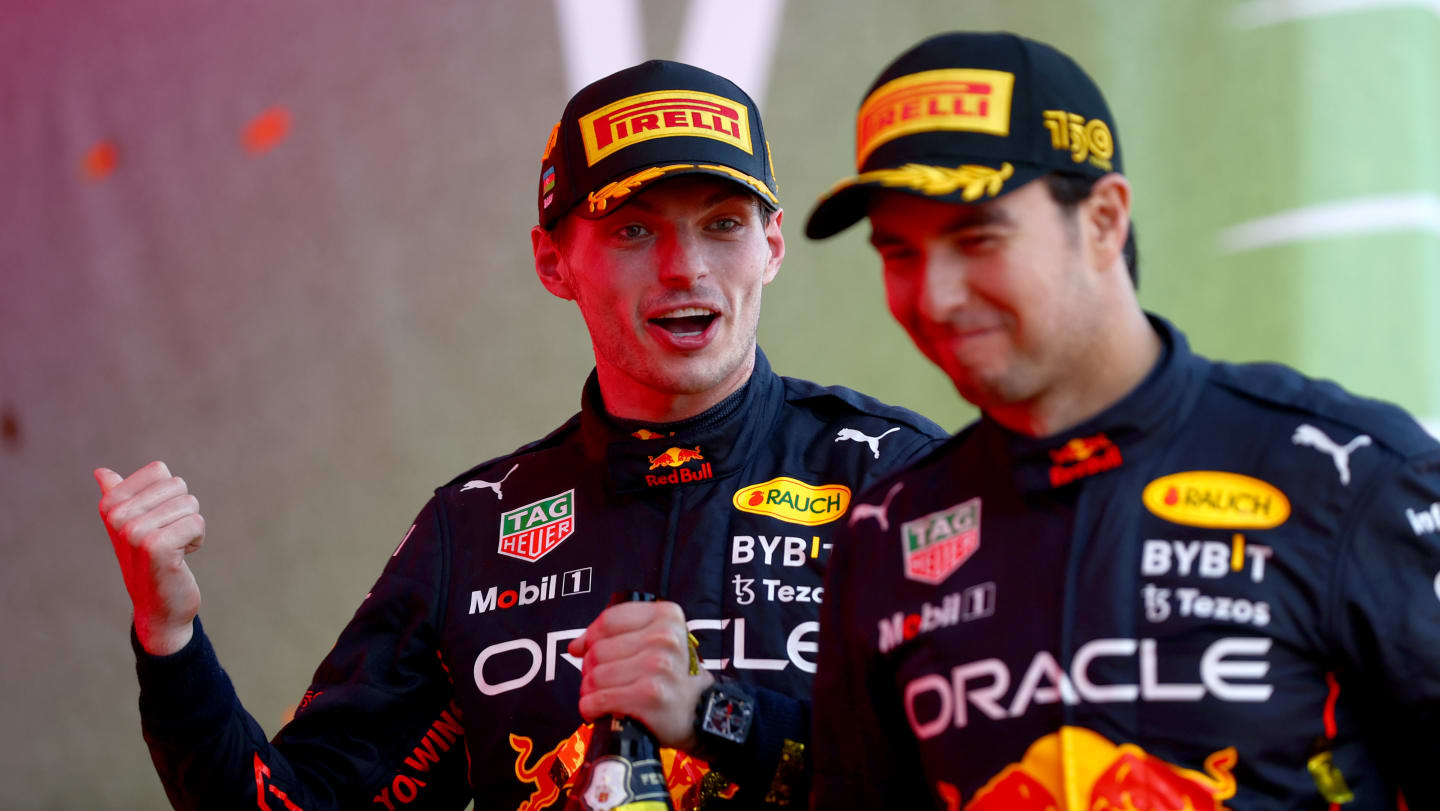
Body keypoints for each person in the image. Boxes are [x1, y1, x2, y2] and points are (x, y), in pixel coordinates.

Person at [94, 60, 946, 810]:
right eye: (633, 228)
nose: (686, 265)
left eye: (722, 223)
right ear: (552, 263)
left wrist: (717, 715)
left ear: (771, 245)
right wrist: (170, 641)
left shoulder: (895, 480)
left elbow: (976, 778)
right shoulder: (473, 529)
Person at [804, 31, 1440, 810]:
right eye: (898, 253)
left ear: (1104, 220)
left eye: (977, 238)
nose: (935, 297)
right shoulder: (884, 532)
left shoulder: (1352, 476)